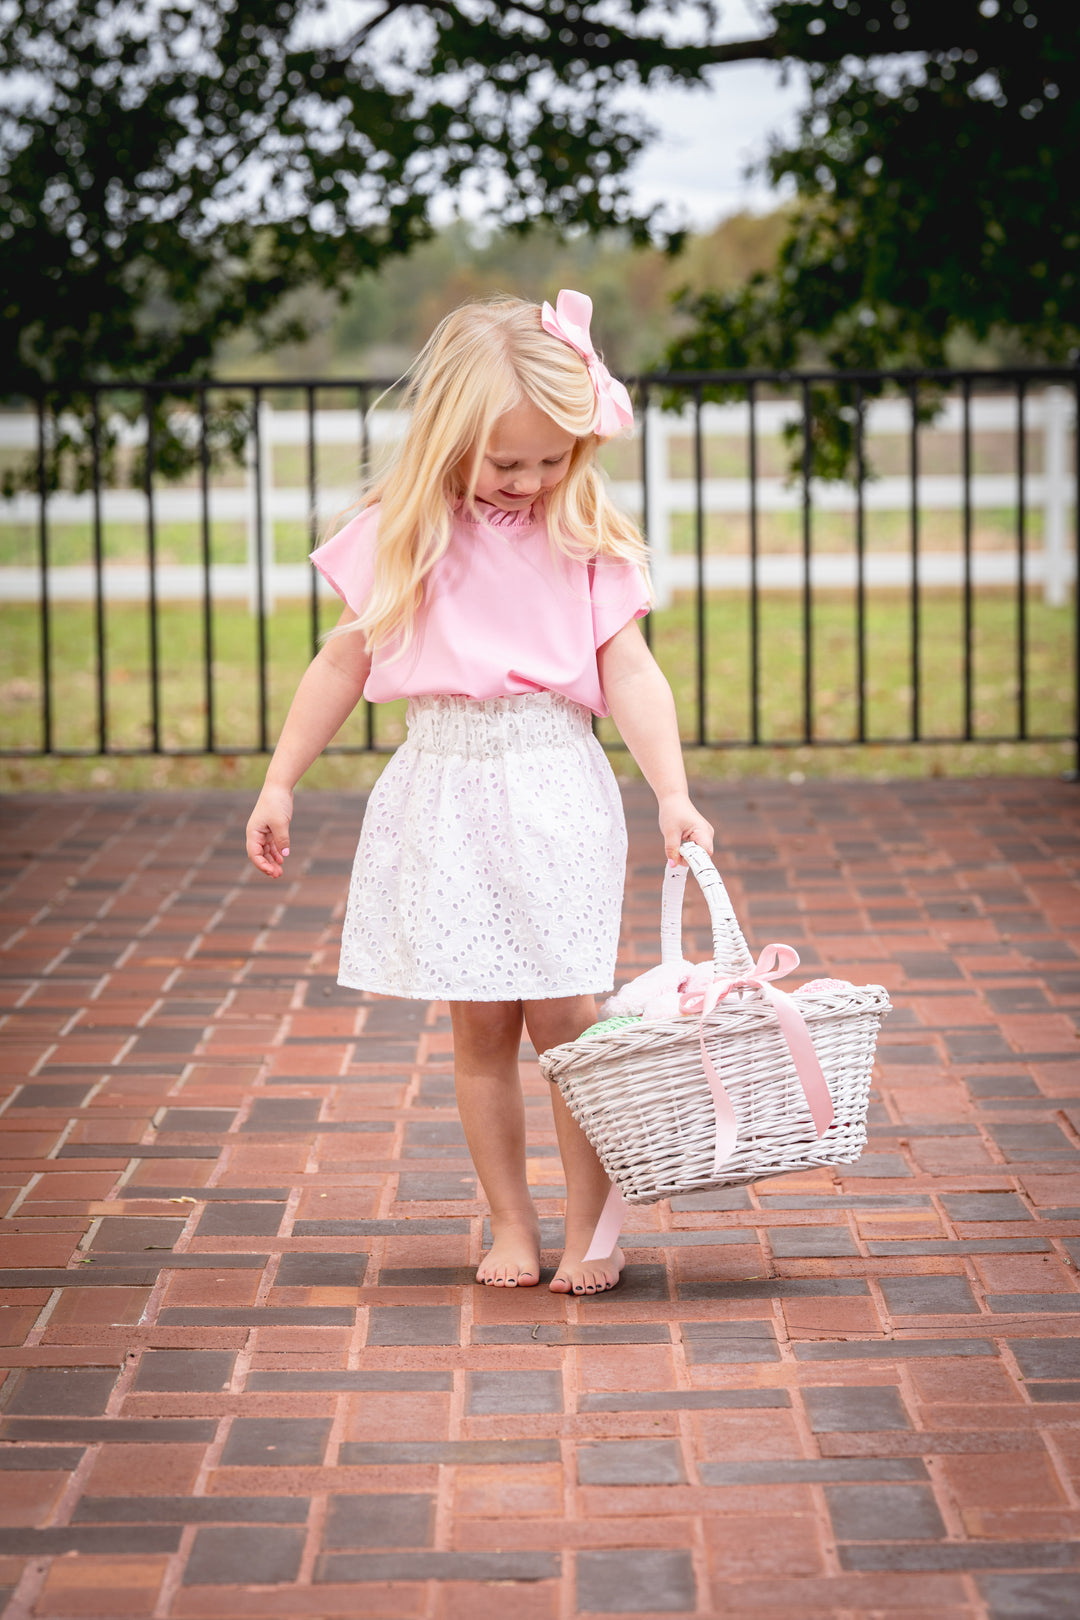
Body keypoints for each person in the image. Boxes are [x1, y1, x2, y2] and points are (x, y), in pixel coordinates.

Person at [245, 290, 713, 1296]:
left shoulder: (581, 535)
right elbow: (340, 666)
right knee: (479, 1028)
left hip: (552, 785)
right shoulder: (401, 536)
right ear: (450, 437)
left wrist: (671, 792)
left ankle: (594, 1226)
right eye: (508, 462)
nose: (531, 480)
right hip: (443, 791)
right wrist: (281, 780)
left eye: (553, 460)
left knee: (568, 1022)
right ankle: (510, 1221)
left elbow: (631, 674)